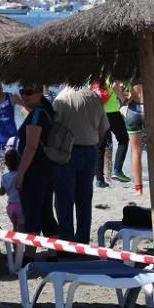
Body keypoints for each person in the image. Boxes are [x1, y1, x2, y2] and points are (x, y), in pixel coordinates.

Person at [53, 86, 110, 244]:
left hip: (67, 152)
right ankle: (83, 241)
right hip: (90, 150)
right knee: (84, 199)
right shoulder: (93, 97)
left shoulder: (62, 98)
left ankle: (67, 242)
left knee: (64, 199)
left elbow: (54, 129)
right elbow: (103, 128)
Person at [14, 85, 58, 235]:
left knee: (32, 215)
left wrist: (20, 173)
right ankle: (52, 255)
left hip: (34, 172)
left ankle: (29, 256)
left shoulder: (38, 115)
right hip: (47, 168)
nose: (24, 96)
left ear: (40, 93)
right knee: (46, 214)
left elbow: (31, 147)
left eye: (29, 92)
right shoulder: (47, 111)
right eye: (22, 92)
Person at [91, 79, 130, 187]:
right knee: (123, 139)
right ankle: (117, 170)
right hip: (111, 111)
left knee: (101, 145)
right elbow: (114, 85)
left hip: (97, 111)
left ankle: (99, 180)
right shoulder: (110, 71)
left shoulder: (93, 74)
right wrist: (122, 99)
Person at [0, 149, 24, 231]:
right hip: (21, 206)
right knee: (22, 228)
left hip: (11, 207)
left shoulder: (5, 177)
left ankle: (14, 243)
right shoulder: (22, 175)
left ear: (5, 163)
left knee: (15, 227)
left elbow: (2, 192)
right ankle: (20, 243)